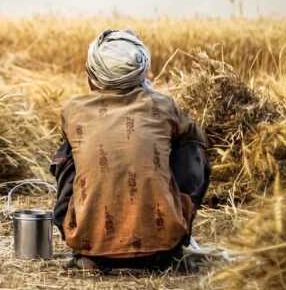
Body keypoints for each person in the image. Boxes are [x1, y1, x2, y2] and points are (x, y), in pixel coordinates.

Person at [52, 29, 210, 271]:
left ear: (90, 76)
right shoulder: (164, 106)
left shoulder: (73, 111)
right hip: (162, 251)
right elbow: (195, 146)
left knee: (69, 151)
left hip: (91, 248)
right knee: (190, 143)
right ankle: (172, 226)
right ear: (142, 73)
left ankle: (85, 232)